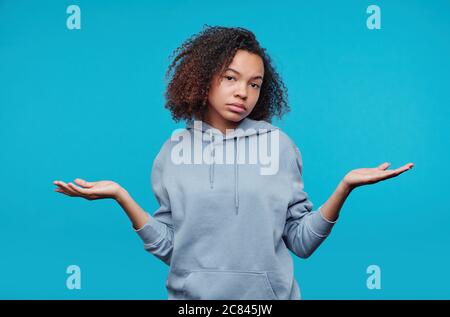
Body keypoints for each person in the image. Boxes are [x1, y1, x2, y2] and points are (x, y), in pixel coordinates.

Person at [53, 26, 414, 300]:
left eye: (255, 84)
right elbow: (173, 249)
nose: (244, 92)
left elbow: (301, 242)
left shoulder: (280, 146)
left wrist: (344, 188)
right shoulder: (173, 151)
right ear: (202, 79)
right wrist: (121, 197)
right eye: (231, 78)